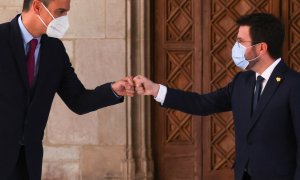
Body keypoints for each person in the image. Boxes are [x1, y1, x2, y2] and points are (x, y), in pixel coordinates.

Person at [134, 13, 300, 180]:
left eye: (241, 42)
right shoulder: (242, 82)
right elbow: (202, 104)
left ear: (261, 48)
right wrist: (156, 90)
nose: (236, 47)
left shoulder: (294, 84)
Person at [0, 0, 134, 179]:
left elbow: (78, 100)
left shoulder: (54, 50)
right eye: (60, 12)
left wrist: (114, 90)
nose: (64, 19)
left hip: (28, 162)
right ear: (37, 7)